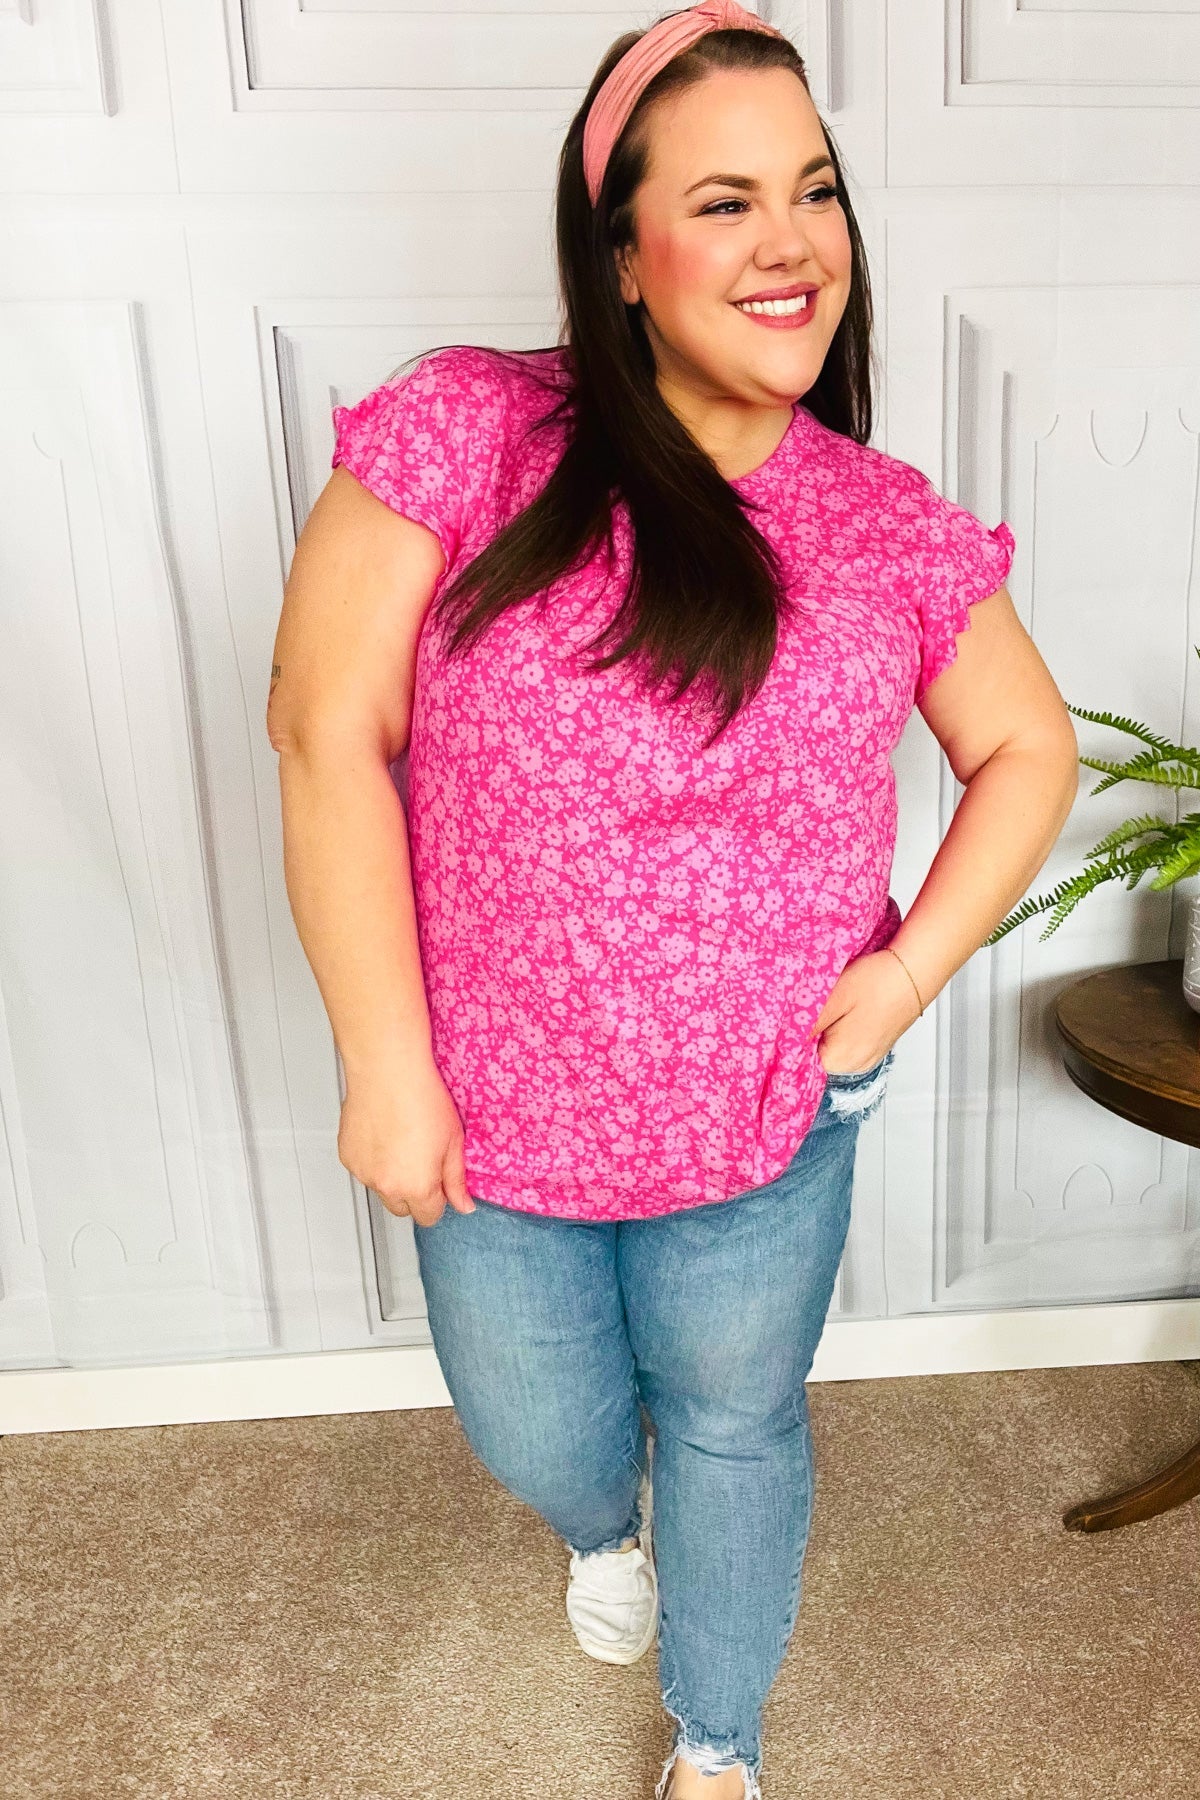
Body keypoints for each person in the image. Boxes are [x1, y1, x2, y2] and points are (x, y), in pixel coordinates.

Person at [266, 3, 1078, 1794]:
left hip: (770, 1113)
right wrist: (384, 1064)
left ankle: (720, 1741)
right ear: (621, 254)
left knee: (734, 1422)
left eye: (815, 190)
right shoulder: (469, 435)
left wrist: (902, 980)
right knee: (538, 1432)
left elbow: (1030, 748)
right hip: (494, 1106)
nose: (791, 242)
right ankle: (596, 1531)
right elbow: (325, 733)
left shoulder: (881, 521)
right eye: (724, 201)